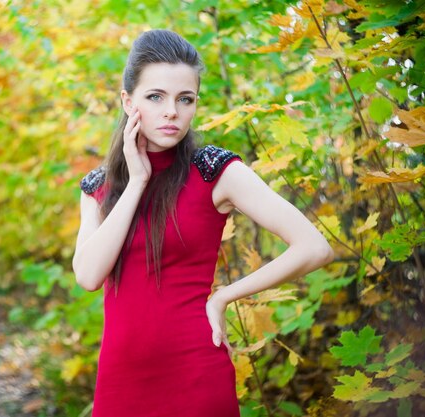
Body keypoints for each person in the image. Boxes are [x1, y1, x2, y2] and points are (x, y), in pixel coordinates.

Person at [72, 29, 334, 417]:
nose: (171, 112)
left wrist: (224, 296)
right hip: (120, 381)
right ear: (129, 102)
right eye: (155, 97)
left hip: (195, 374)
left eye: (185, 99)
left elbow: (315, 247)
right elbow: (89, 275)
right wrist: (138, 182)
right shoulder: (98, 187)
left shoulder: (214, 170)